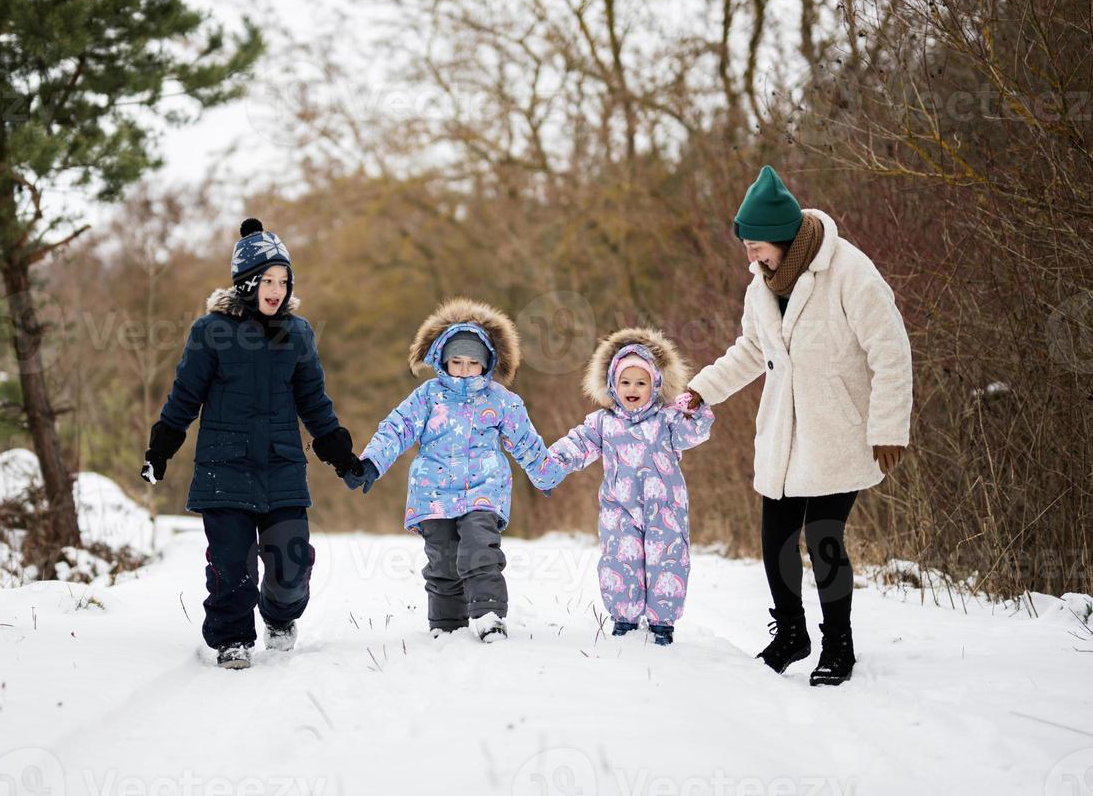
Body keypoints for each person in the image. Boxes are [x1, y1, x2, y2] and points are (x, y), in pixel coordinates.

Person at [685, 165, 912, 685]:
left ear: (786, 237)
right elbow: (750, 349)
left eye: (758, 245)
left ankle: (839, 646)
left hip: (840, 429)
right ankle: (792, 633)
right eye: (746, 246)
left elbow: (891, 351)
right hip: (785, 431)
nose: (751, 256)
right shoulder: (761, 285)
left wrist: (888, 428)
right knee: (776, 538)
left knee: (824, 536)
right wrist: (702, 389)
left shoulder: (850, 273)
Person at [142, 218, 363, 670]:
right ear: (246, 283)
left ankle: (280, 617)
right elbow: (185, 395)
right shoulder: (212, 331)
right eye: (267, 280)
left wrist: (340, 454)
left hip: (280, 467)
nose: (276, 289)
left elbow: (314, 402)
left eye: (283, 281)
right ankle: (232, 639)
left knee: (292, 566)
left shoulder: (297, 334)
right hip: (224, 469)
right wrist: (160, 449)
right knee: (232, 568)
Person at [344, 299, 559, 643]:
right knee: (442, 559)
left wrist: (542, 472)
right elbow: (397, 429)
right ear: (443, 360)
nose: (464, 369)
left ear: (486, 364)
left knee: (480, 546)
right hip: (434, 493)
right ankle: (447, 624)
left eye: (473, 363)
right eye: (457, 361)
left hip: (483, 489)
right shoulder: (428, 396)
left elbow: (524, 439)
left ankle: (489, 614)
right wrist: (371, 463)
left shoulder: (501, 400)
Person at [544, 329, 714, 646]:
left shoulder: (667, 420)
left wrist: (695, 409)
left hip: (665, 509)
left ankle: (663, 622)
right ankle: (624, 617)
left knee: (667, 560)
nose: (632, 389)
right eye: (625, 382)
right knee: (619, 560)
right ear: (612, 385)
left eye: (641, 382)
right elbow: (578, 443)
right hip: (618, 509)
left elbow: (696, 432)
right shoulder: (603, 422)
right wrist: (553, 462)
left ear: (655, 385)